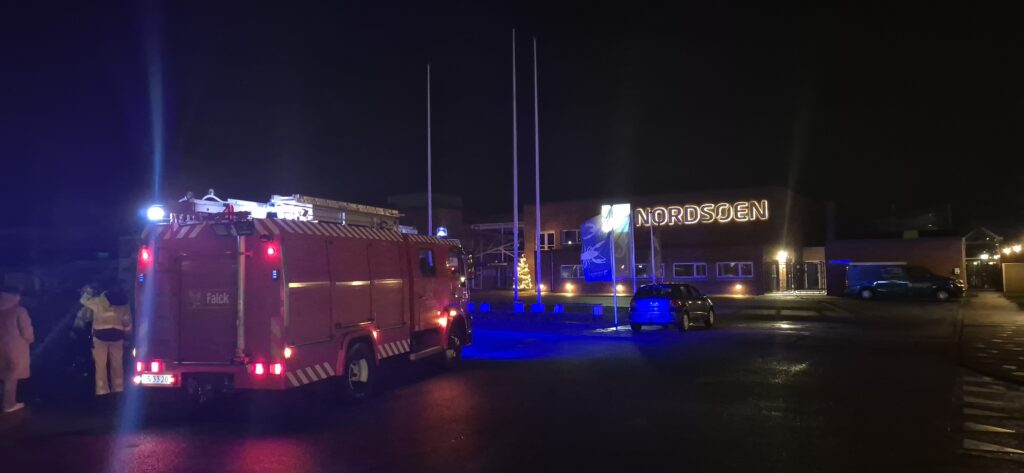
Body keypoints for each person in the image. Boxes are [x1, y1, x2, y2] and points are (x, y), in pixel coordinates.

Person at [77, 286, 132, 396]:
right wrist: (127, 338)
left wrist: (88, 292)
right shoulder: (124, 303)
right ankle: (118, 389)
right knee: (117, 365)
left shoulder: (98, 301)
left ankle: (102, 390)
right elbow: (128, 323)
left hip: (100, 337)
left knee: (100, 365)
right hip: (117, 337)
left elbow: (83, 301)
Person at [0, 285, 33, 413]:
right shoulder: (19, 311)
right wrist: (30, 339)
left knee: (3, 374)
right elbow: (26, 331)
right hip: (15, 347)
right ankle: (9, 404)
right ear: (15, 296)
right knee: (11, 377)